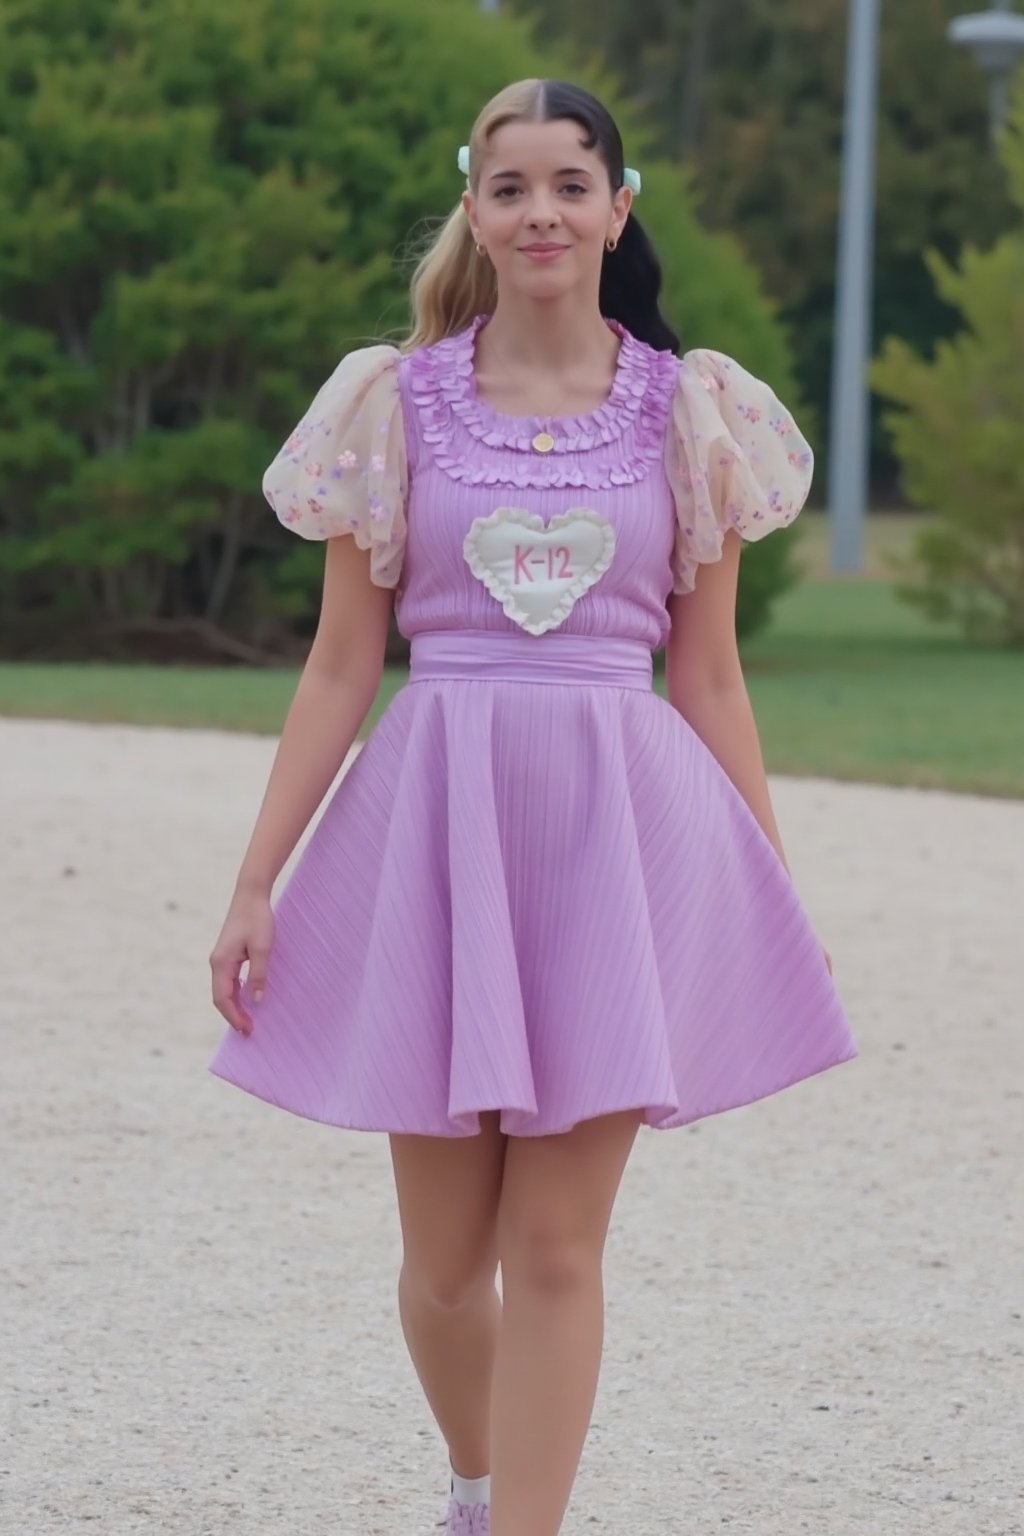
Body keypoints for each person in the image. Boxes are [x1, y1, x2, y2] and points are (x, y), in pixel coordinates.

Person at [208, 77, 857, 1536]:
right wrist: (256, 881)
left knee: (557, 1246)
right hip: (437, 830)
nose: (543, 210)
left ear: (620, 207)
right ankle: (477, 1483)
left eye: (573, 183)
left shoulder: (692, 411)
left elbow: (712, 677)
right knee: (449, 1268)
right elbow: (337, 664)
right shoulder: (394, 400)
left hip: (614, 840)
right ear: (477, 212)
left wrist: (769, 886)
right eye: (512, 187)